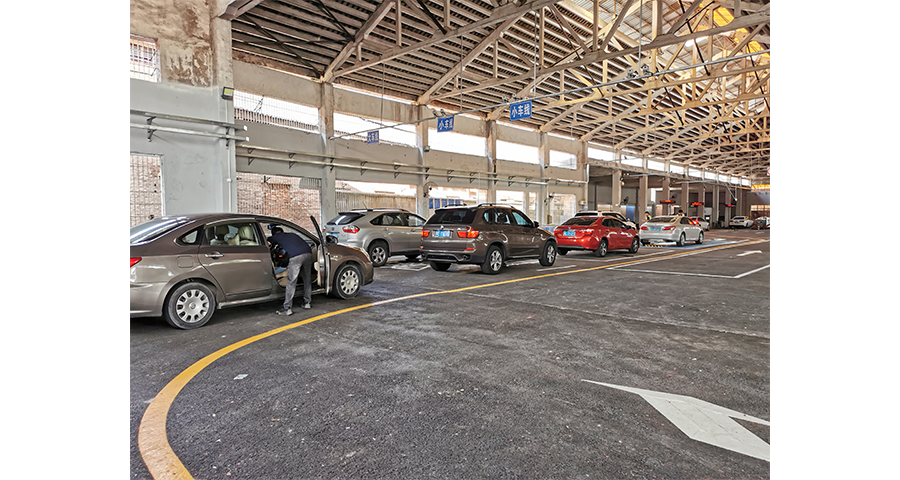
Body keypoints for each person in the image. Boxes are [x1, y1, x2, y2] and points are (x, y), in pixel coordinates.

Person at [268, 226, 313, 315]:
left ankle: (287, 308)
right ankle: (307, 303)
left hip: (296, 257)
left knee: (292, 282)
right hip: (308, 254)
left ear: (273, 233)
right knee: (307, 279)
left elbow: (268, 244)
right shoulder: (292, 234)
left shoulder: (275, 237)